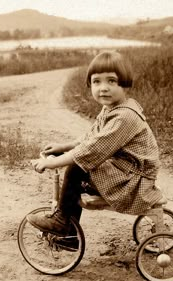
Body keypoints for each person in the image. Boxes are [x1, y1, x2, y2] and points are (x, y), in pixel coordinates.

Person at [27, 50, 163, 240]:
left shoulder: (125, 116)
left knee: (76, 169)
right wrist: (64, 147)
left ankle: (63, 223)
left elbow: (93, 150)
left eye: (111, 81)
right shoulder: (111, 109)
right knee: (79, 170)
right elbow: (92, 137)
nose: (103, 88)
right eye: (96, 81)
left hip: (134, 181)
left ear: (125, 84)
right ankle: (69, 232)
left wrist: (50, 163)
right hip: (126, 171)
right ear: (89, 84)